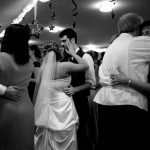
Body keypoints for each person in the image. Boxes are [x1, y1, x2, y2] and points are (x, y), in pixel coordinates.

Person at [93, 12, 150, 149]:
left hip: (104, 102)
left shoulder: (111, 46)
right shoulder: (136, 42)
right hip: (127, 102)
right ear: (137, 28)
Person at [33, 41, 89, 150]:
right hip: (65, 107)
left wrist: (34, 110)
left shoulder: (42, 70)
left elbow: (36, 91)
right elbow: (85, 65)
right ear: (59, 53)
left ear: (45, 54)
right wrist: (73, 53)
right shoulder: (66, 66)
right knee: (67, 133)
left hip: (48, 108)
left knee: (49, 134)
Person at [59, 28, 96, 150]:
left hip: (80, 101)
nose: (62, 44)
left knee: (80, 133)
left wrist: (75, 89)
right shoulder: (64, 57)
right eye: (61, 42)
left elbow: (91, 82)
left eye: (64, 41)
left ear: (73, 40)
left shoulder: (86, 57)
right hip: (65, 102)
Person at [0, 24, 34, 150]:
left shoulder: (2, 58)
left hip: (6, 108)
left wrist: (3, 91)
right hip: (27, 108)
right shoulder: (29, 61)